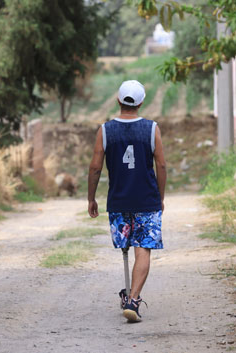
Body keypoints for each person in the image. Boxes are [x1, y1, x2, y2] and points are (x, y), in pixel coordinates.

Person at [87, 80, 167, 323]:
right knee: (143, 249)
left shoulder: (105, 130)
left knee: (126, 247)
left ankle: (128, 295)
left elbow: (95, 167)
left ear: (118, 101)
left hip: (119, 202)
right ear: (141, 102)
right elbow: (161, 165)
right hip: (146, 201)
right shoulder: (152, 129)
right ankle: (133, 299)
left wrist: (91, 198)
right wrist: (160, 198)